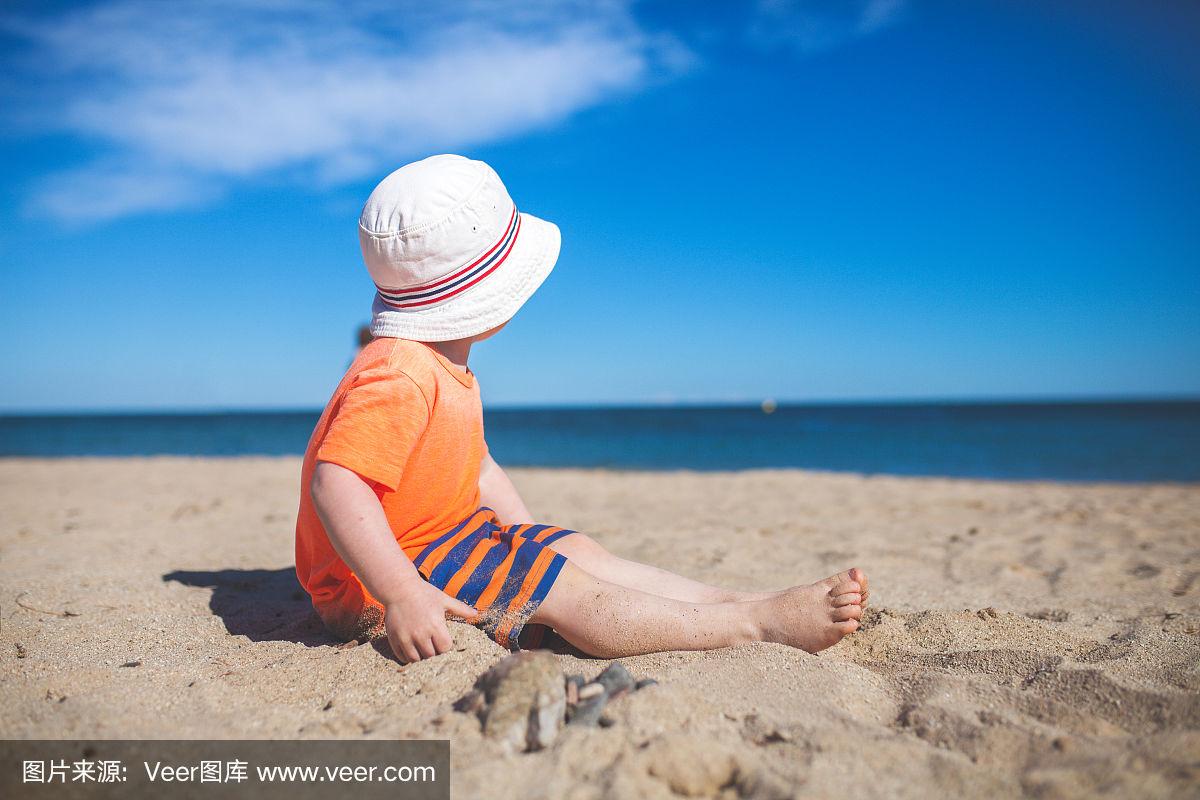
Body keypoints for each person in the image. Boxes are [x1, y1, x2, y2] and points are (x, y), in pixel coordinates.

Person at [294, 155, 869, 663]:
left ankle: (744, 601)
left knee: (579, 554)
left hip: (445, 536)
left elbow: (478, 467)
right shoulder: (399, 373)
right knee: (571, 592)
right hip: (384, 576)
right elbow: (337, 483)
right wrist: (400, 592)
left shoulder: (441, 364)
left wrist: (526, 534)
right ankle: (754, 625)